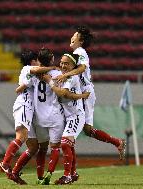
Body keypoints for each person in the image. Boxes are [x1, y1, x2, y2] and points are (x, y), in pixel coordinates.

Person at [10, 48, 89, 185]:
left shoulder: (35, 74)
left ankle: (39, 176)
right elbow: (64, 93)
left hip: (38, 117)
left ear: (39, 60)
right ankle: (52, 174)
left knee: (41, 148)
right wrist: (82, 95)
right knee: (58, 147)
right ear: (52, 58)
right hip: (54, 115)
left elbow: (21, 88)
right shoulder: (59, 74)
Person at [56, 26, 126, 161]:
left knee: (74, 125)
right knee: (86, 129)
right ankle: (117, 142)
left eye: (74, 35)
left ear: (80, 41)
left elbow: (82, 67)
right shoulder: (77, 52)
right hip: (82, 92)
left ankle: (70, 171)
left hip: (85, 93)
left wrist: (66, 75)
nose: (72, 37)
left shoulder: (80, 51)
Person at [0, 50, 56, 184]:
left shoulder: (32, 74)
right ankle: (5, 163)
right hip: (24, 105)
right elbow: (32, 74)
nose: (39, 63)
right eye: (37, 60)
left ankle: (15, 173)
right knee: (21, 137)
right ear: (32, 61)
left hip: (30, 110)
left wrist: (21, 86)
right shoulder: (28, 68)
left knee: (33, 147)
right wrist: (53, 67)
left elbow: (20, 88)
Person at [43, 53, 86, 185]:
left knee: (65, 143)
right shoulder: (62, 76)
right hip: (68, 116)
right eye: (61, 62)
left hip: (76, 115)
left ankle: (67, 176)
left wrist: (50, 81)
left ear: (73, 66)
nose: (63, 65)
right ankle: (73, 174)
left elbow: (63, 93)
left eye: (66, 63)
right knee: (69, 146)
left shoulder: (71, 77)